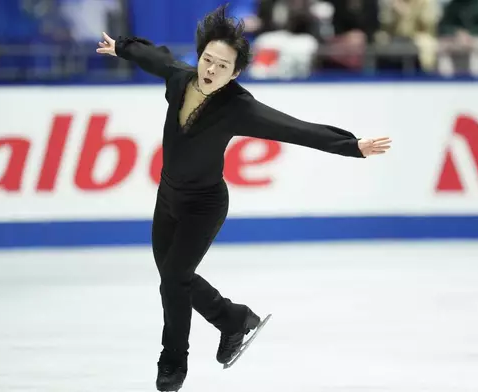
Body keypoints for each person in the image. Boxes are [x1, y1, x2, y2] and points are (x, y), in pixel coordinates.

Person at [96, 4, 391, 391]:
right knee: (174, 278)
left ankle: (173, 362)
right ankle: (234, 319)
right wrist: (122, 46)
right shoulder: (179, 79)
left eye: (223, 66)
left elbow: (296, 129)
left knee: (172, 279)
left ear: (235, 72)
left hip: (205, 204)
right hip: (168, 197)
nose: (211, 70)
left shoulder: (238, 106)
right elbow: (156, 57)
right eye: (208, 59)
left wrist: (352, 145)